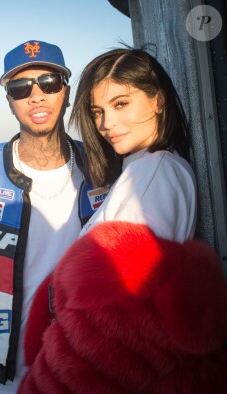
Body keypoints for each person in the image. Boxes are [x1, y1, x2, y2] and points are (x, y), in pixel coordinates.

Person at [18, 48, 227, 393]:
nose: (105, 124)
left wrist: (49, 383)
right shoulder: (145, 168)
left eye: (120, 104)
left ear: (158, 100)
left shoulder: (151, 173)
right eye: (98, 111)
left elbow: (121, 316)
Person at [0, 39, 105, 394]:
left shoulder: (100, 167)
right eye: (20, 88)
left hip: (81, 365)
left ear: (66, 90)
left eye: (48, 83)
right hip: (3, 374)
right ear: (9, 102)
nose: (36, 96)